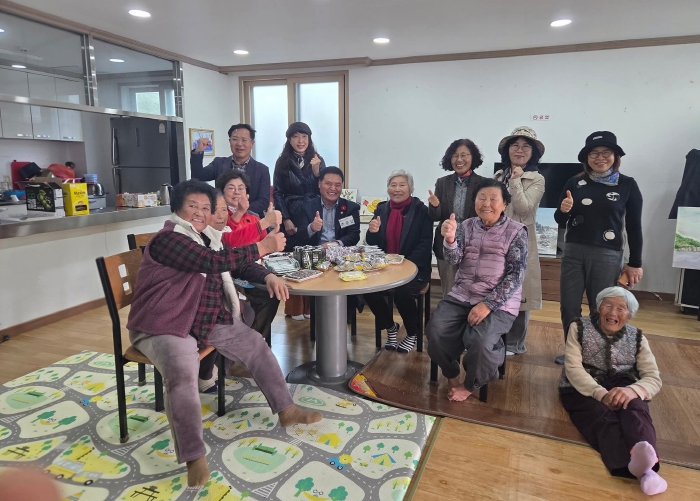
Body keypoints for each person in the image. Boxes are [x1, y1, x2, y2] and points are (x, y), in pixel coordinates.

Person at [126, 180, 322, 487]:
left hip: (202, 318)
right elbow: (212, 262)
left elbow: (235, 264)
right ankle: (194, 456)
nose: (201, 212)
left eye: (206, 207)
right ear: (177, 208)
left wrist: (267, 274)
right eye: (193, 206)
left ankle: (287, 409)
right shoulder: (169, 239)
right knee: (182, 370)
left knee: (254, 342)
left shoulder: (207, 238)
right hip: (164, 322)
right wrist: (262, 246)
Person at [427, 179, 527, 402]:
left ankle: (471, 384)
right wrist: (450, 240)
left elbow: (516, 276)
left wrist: (488, 304)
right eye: (481, 198)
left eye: (493, 199)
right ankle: (452, 373)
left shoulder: (516, 231)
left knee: (480, 343)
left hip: (498, 302)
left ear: (504, 204)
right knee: (435, 331)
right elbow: (454, 259)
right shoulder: (467, 225)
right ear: (474, 202)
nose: (486, 203)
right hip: (462, 294)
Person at [560, 287, 666, 496]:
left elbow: (653, 377)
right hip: (584, 384)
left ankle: (646, 462)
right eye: (607, 306)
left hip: (623, 382)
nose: (612, 313)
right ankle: (638, 470)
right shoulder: (578, 327)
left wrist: (632, 391)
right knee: (600, 416)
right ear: (598, 308)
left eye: (621, 308)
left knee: (636, 411)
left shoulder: (637, 337)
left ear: (629, 314)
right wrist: (600, 393)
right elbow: (573, 368)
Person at [554, 131, 643, 364]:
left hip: (607, 254)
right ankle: (574, 353)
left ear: (615, 156)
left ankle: (596, 355)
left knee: (601, 306)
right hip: (573, 251)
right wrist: (563, 210)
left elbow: (634, 226)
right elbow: (559, 220)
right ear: (586, 157)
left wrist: (635, 263)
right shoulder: (575, 182)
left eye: (606, 152)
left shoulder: (628, 185)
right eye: (594, 153)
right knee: (569, 306)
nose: (600, 157)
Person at [364, 170, 433, 353]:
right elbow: (372, 243)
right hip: (385, 267)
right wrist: (372, 231)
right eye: (393, 185)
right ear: (388, 188)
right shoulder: (381, 209)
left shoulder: (421, 210)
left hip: (415, 268)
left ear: (410, 188)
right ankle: (390, 326)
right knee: (367, 288)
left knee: (403, 293)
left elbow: (425, 243)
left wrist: (405, 265)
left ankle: (412, 332)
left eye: (402, 185)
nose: (397, 189)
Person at [493, 126, 545, 356]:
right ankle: (496, 337)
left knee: (520, 291)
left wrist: (515, 180)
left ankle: (515, 343)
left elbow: (523, 208)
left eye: (526, 146)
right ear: (507, 150)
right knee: (497, 286)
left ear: (533, 153)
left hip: (520, 242)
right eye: (515, 145)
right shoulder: (498, 176)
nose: (520, 150)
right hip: (497, 240)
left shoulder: (537, 178)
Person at [217, 170, 283, 345]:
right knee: (266, 293)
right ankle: (251, 342)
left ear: (247, 194)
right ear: (221, 193)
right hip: (234, 273)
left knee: (273, 290)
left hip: (254, 269)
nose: (236, 192)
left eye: (241, 188)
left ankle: (254, 340)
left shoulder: (253, 217)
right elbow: (231, 243)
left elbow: (265, 247)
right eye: (231, 188)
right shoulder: (220, 216)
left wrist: (271, 240)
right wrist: (240, 213)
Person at [273, 122, 326, 320]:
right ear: (289, 140)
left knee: (312, 259)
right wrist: (285, 218)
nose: (300, 141)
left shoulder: (317, 159)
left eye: (304, 136)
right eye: (295, 136)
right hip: (292, 212)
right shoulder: (282, 161)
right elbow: (278, 193)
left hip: (312, 213)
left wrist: (317, 171)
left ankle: (310, 307)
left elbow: (324, 187)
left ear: (309, 139)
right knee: (293, 260)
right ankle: (294, 308)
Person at [428, 139, 485, 298]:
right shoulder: (442, 183)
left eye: (464, 155)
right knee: (449, 291)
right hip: (446, 243)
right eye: (455, 156)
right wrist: (434, 206)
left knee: (473, 291)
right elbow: (435, 217)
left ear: (473, 157)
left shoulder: (483, 183)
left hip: (473, 245)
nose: (459, 159)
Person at [190, 124, 271, 217]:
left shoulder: (262, 170)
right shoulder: (219, 163)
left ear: (252, 143)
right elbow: (198, 177)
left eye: (244, 140)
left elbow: (263, 201)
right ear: (230, 141)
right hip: (222, 218)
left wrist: (239, 212)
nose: (239, 144)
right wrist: (198, 151)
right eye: (235, 139)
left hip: (251, 218)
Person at [293, 167, 361, 247]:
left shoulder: (351, 208)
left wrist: (335, 244)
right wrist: (312, 228)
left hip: (340, 251)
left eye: (337, 185)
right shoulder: (307, 207)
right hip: (315, 252)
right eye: (328, 184)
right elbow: (299, 236)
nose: (333, 188)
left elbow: (354, 235)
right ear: (319, 184)